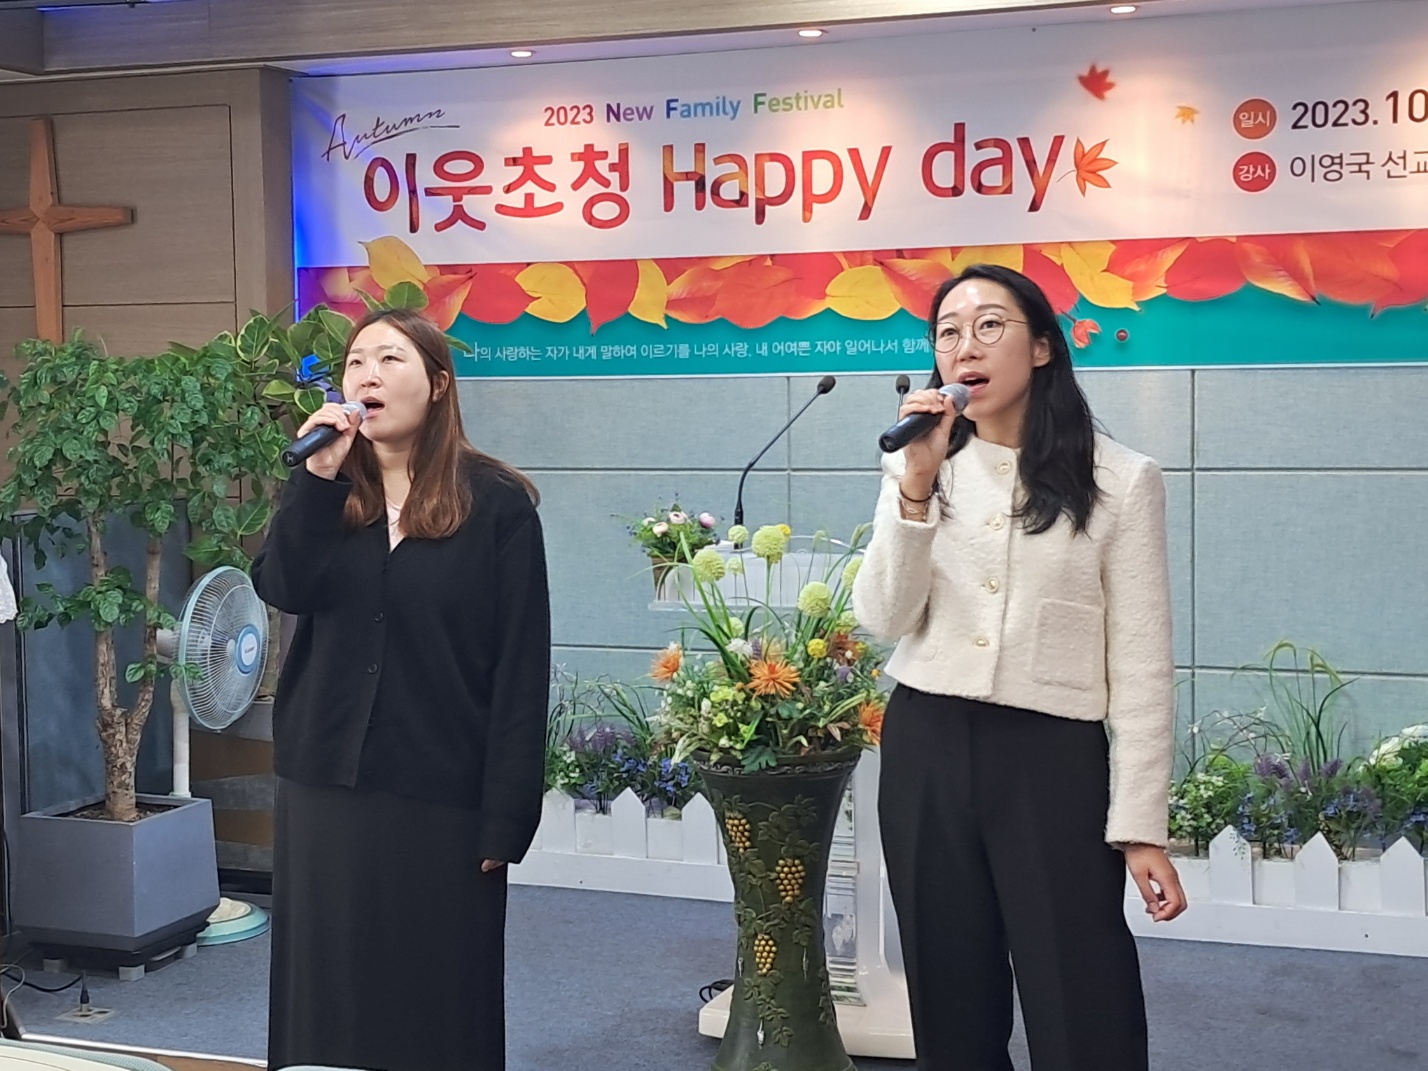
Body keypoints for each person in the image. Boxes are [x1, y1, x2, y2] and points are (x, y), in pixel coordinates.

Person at [852, 265, 1187, 1071]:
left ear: (1041, 347)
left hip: (1051, 757)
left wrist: (1141, 825)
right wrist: (915, 490)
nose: (965, 347)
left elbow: (1142, 663)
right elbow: (882, 617)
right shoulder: (921, 463)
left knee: (1080, 987)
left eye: (989, 326)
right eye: (948, 332)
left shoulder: (1119, 479)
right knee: (949, 991)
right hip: (928, 740)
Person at [253, 308, 551, 1071]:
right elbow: (283, 585)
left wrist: (506, 817)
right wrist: (314, 482)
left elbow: (521, 669)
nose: (368, 375)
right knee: (328, 993)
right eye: (356, 362)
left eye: (390, 359)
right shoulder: (327, 493)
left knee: (433, 993)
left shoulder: (497, 505)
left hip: (440, 792)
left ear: (438, 384)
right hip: (324, 783)